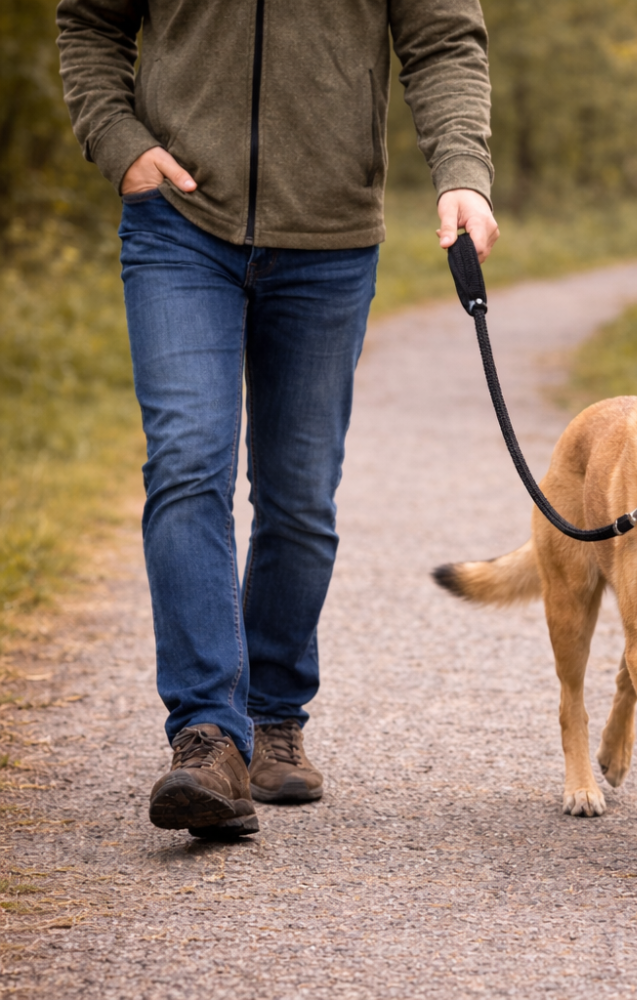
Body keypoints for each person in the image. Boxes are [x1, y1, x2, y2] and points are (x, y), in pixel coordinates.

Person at [56, 1, 498, 838]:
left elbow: (444, 42)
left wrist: (462, 173)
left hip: (330, 238)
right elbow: (90, 20)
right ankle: (207, 736)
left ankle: (274, 712)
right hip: (178, 222)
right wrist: (117, 139)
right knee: (188, 460)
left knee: (299, 495)